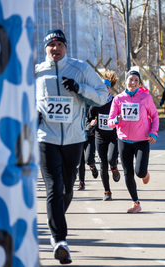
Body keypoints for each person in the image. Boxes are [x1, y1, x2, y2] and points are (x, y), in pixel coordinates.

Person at [36, 29, 108, 264]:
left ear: (66, 47)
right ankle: (60, 240)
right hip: (46, 138)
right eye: (51, 45)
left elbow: (103, 95)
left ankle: (55, 221)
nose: (55, 49)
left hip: (74, 139)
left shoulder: (81, 69)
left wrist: (79, 89)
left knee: (66, 190)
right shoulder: (35, 73)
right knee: (54, 188)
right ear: (45, 48)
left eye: (59, 44)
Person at [108, 70, 159, 213]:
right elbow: (110, 121)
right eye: (131, 79)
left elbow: (154, 116)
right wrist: (115, 120)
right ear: (125, 81)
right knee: (128, 173)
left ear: (139, 82)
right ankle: (136, 203)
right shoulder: (118, 99)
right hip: (124, 140)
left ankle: (144, 173)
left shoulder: (145, 97)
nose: (133, 83)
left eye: (136, 80)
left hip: (142, 139)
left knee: (139, 172)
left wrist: (153, 133)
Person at [88, 73, 121, 201]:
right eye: (102, 87)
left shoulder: (115, 101)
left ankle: (114, 167)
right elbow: (90, 117)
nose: (104, 89)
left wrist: (119, 120)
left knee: (111, 159)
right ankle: (107, 192)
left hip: (113, 136)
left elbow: (121, 114)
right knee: (102, 164)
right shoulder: (95, 103)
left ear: (110, 89)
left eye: (106, 87)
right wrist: (91, 122)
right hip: (100, 136)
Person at [77, 104, 98, 191]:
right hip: (78, 136)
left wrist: (93, 125)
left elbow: (98, 119)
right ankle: (81, 182)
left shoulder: (92, 104)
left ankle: (92, 166)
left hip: (90, 136)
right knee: (80, 161)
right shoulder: (75, 104)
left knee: (89, 159)